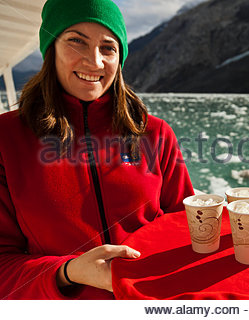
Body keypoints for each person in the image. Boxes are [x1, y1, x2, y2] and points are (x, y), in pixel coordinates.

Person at [0, 0, 194, 299]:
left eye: (108, 47)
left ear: (120, 58)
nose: (94, 61)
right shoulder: (6, 138)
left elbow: (185, 226)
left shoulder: (155, 133)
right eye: (76, 41)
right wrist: (67, 272)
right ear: (50, 50)